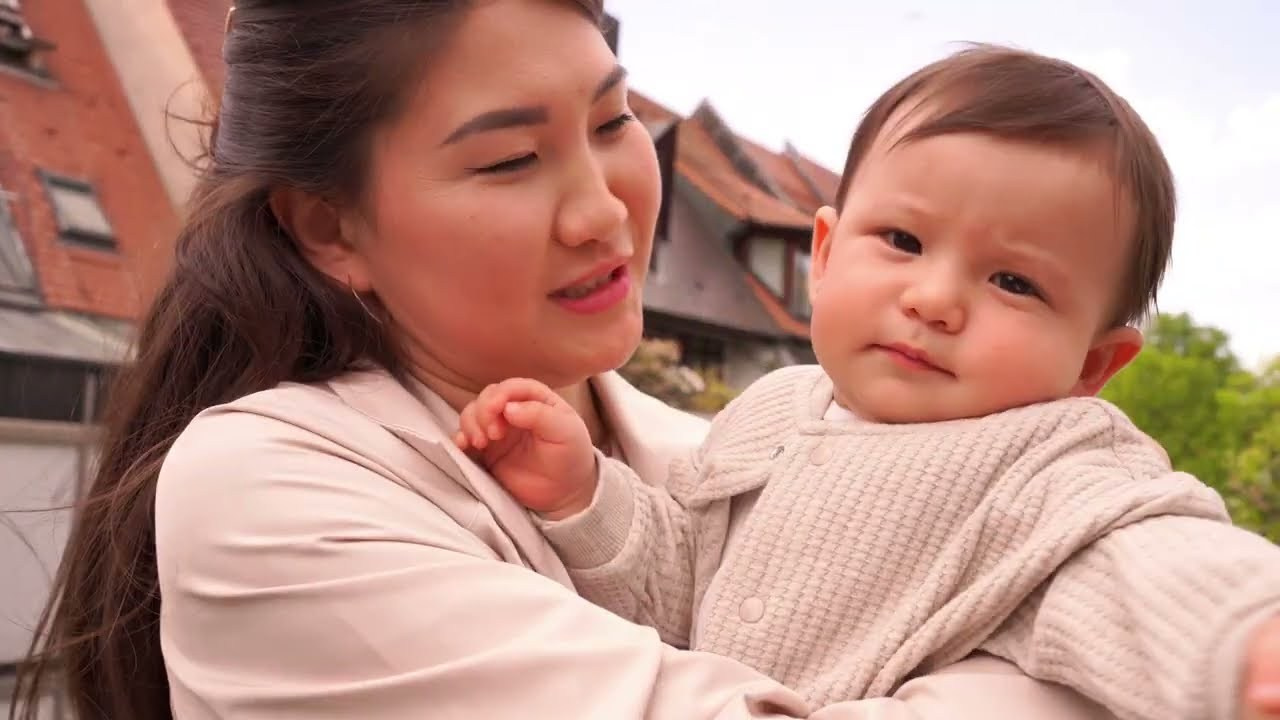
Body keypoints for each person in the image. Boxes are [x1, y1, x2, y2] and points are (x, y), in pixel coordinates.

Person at [10, 4, 1121, 720]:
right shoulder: (268, 488)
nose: (602, 213)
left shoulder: (721, 457)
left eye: (608, 122)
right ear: (330, 229)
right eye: (507, 161)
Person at [454, 45, 1280, 720]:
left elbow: (1149, 564)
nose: (935, 300)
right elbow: (686, 580)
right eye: (903, 240)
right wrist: (584, 497)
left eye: (1015, 284)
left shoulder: (1048, 464)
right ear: (823, 254)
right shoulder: (772, 410)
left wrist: (1249, 634)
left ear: (1093, 366)